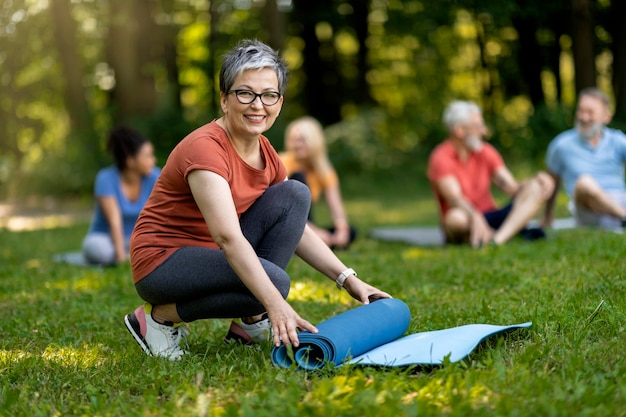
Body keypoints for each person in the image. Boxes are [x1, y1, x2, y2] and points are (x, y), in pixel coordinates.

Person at [123, 39, 391, 360]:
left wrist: (349, 281)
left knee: (294, 194)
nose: (257, 105)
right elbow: (228, 237)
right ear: (224, 100)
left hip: (212, 255)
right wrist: (274, 304)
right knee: (272, 283)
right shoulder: (206, 148)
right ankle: (158, 319)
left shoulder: (268, 154)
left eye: (269, 95)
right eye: (245, 93)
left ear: (279, 102)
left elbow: (297, 229)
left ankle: (249, 321)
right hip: (164, 262)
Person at [426, 100, 554, 247]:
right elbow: (454, 199)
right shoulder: (441, 157)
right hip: (465, 216)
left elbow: (512, 188)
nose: (484, 131)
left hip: (491, 215)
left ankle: (498, 239)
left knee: (536, 187)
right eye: (478, 126)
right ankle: (497, 234)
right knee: (455, 219)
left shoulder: (485, 151)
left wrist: (536, 180)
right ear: (459, 130)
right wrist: (475, 216)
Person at [544, 87, 626, 231]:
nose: (583, 117)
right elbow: (552, 183)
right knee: (584, 182)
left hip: (620, 199)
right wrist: (547, 215)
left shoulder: (618, 140)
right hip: (587, 209)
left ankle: (620, 218)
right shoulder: (561, 145)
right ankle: (623, 217)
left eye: (590, 112)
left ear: (606, 117)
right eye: (580, 111)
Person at [82, 126, 159, 265]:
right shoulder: (105, 178)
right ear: (130, 161)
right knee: (99, 250)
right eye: (147, 156)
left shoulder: (155, 177)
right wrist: (120, 258)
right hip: (107, 239)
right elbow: (114, 220)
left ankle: (136, 256)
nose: (153, 160)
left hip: (139, 240)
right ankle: (132, 258)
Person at [280, 116, 356, 249]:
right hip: (286, 223)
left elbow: (336, 208)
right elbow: (284, 210)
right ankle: (314, 240)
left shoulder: (323, 170)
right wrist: (315, 232)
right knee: (299, 177)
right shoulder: (283, 163)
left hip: (307, 224)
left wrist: (342, 231)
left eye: (302, 140)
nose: (297, 145)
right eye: (294, 140)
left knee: (351, 232)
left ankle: (317, 241)